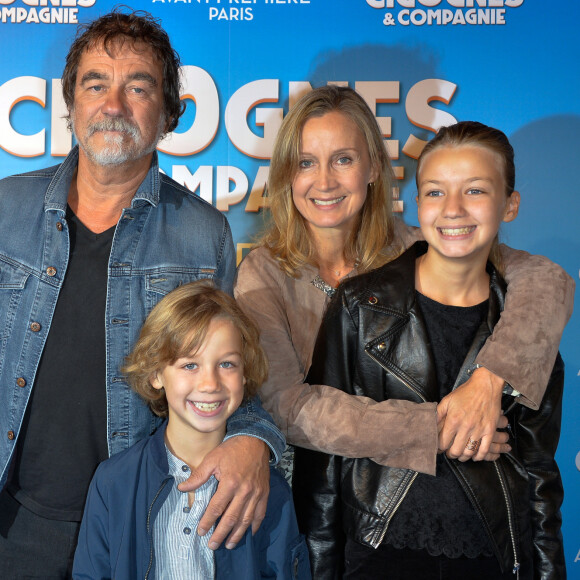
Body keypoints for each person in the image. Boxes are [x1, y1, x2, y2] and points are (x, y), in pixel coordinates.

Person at [0, 10, 283, 578]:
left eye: (138, 87)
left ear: (169, 114)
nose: (113, 104)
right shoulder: (7, 210)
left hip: (138, 523)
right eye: (96, 84)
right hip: (15, 523)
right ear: (72, 103)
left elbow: (236, 375)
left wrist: (256, 442)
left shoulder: (204, 234)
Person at [234, 85, 574, 479]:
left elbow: (547, 281)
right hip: (312, 493)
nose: (324, 182)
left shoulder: (420, 246)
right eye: (305, 163)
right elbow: (285, 406)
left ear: (375, 167)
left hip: (424, 487)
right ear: (285, 174)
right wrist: (434, 427)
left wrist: (489, 379)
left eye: (343, 159)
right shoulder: (263, 273)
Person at [293, 121, 565, 579]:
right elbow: (323, 466)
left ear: (510, 205)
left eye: (475, 191)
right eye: (436, 193)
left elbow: (537, 471)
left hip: (489, 558)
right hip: (377, 554)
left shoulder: (528, 324)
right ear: (417, 205)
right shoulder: (361, 307)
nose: (453, 210)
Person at [73, 281, 311, 580]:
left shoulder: (267, 489)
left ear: (245, 372)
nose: (210, 384)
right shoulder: (113, 482)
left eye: (226, 364)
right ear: (156, 373)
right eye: (190, 365)